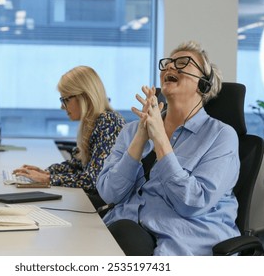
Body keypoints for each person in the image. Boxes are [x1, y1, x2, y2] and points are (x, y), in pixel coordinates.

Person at [96, 41, 241, 256]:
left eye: (183, 63)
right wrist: (141, 138)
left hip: (183, 238)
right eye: (167, 63)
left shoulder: (221, 136)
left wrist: (161, 139)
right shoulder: (132, 130)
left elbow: (192, 204)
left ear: (204, 84)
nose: (170, 67)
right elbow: (109, 194)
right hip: (126, 228)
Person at [14, 65, 125, 199]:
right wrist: (45, 172)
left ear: (84, 97)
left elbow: (92, 180)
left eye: (65, 99)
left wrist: (49, 179)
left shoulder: (109, 123)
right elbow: (76, 166)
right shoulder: (94, 123)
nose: (62, 107)